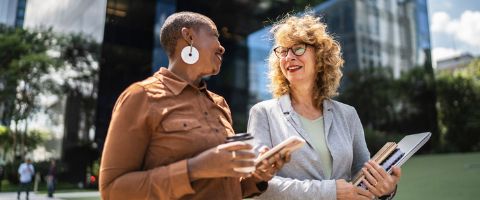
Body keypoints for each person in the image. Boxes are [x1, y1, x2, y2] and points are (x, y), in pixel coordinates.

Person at [99, 11, 288, 200]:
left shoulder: (219, 103)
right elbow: (112, 190)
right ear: (189, 36)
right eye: (214, 35)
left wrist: (258, 176)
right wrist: (194, 169)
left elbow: (226, 186)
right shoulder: (141, 97)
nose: (222, 48)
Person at [247, 13, 402, 200]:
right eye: (283, 51)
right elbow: (259, 184)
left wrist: (386, 190)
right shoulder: (263, 113)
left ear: (320, 57)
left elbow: (363, 174)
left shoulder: (348, 114)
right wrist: (331, 192)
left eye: (298, 48)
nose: (288, 57)